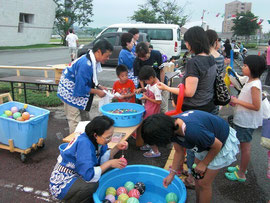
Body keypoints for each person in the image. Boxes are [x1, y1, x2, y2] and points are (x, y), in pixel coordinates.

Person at [157, 26, 218, 188]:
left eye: (187, 41)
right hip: (208, 106)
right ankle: (195, 173)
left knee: (191, 146)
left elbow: (189, 92)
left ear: (192, 43)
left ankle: (192, 177)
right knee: (201, 145)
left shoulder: (194, 62)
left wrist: (166, 88)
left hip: (194, 109)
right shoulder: (210, 58)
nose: (186, 44)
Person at [141, 111, 239, 203]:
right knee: (197, 178)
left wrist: (204, 163)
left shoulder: (193, 131)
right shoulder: (171, 127)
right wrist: (171, 175)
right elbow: (179, 152)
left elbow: (217, 145)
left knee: (204, 183)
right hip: (205, 142)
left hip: (220, 143)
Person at [49, 116, 128, 202]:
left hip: (77, 173)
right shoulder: (84, 144)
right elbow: (89, 175)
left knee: (100, 175)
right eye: (108, 137)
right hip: (62, 184)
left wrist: (117, 148)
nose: (109, 140)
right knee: (92, 185)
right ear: (96, 135)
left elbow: (101, 159)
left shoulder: (95, 140)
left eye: (111, 136)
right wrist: (110, 163)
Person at [57, 39, 113, 134]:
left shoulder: (92, 59)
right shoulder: (85, 64)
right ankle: (75, 143)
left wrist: (99, 86)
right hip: (69, 91)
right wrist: (97, 92)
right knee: (74, 120)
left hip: (76, 87)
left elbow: (91, 78)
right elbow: (81, 88)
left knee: (85, 117)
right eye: (107, 56)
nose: (108, 58)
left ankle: (85, 137)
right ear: (98, 52)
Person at [225, 55, 266, 182]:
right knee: (243, 147)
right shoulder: (250, 81)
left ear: (253, 68)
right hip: (243, 119)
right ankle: (242, 167)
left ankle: (241, 174)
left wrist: (237, 101)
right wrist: (237, 102)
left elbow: (256, 106)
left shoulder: (255, 85)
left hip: (246, 122)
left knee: (245, 148)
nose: (242, 67)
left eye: (245, 65)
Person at [133, 42, 168, 113]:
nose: (143, 59)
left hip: (160, 82)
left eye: (145, 57)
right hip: (148, 86)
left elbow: (162, 71)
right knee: (150, 106)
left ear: (149, 50)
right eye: (140, 57)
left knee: (163, 107)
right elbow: (140, 78)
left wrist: (161, 85)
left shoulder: (156, 54)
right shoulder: (137, 61)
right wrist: (143, 89)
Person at [137, 66, 162, 158]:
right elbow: (148, 89)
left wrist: (146, 98)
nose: (145, 83)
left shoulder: (157, 86)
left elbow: (159, 101)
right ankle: (150, 145)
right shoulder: (151, 84)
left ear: (151, 78)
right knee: (147, 131)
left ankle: (155, 151)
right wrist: (142, 89)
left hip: (153, 114)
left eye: (146, 81)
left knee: (151, 133)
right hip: (148, 111)